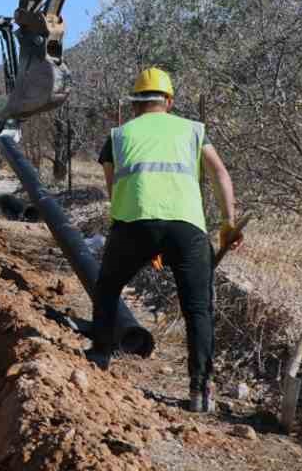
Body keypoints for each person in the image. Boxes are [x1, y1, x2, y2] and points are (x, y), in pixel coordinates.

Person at [90, 67, 241, 413]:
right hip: (186, 229)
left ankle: (99, 357)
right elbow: (220, 173)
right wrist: (228, 225)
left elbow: (114, 189)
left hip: (133, 226)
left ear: (134, 104)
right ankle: (200, 391)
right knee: (198, 308)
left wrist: (149, 250)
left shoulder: (118, 136)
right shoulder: (193, 130)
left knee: (108, 287)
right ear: (169, 101)